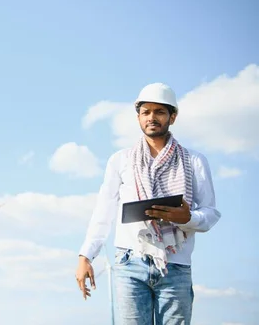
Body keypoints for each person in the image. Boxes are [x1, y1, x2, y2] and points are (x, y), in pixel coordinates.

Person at [75, 82, 221, 325]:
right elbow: (103, 212)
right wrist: (85, 256)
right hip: (129, 263)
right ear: (139, 117)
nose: (152, 117)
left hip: (175, 265)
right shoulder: (120, 160)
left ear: (172, 117)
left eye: (160, 112)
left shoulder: (194, 161)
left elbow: (210, 213)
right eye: (146, 112)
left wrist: (187, 218)